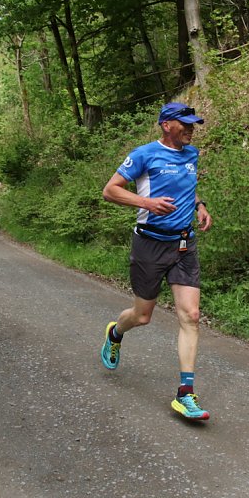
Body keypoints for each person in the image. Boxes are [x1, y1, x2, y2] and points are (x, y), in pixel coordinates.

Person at [100, 102, 214, 420]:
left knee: (191, 315)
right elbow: (110, 191)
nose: (191, 128)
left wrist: (200, 205)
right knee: (142, 315)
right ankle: (115, 333)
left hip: (183, 245)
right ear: (166, 125)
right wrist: (146, 201)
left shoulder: (191, 154)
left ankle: (185, 394)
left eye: (193, 124)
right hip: (149, 244)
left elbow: (187, 187)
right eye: (185, 123)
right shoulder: (144, 154)